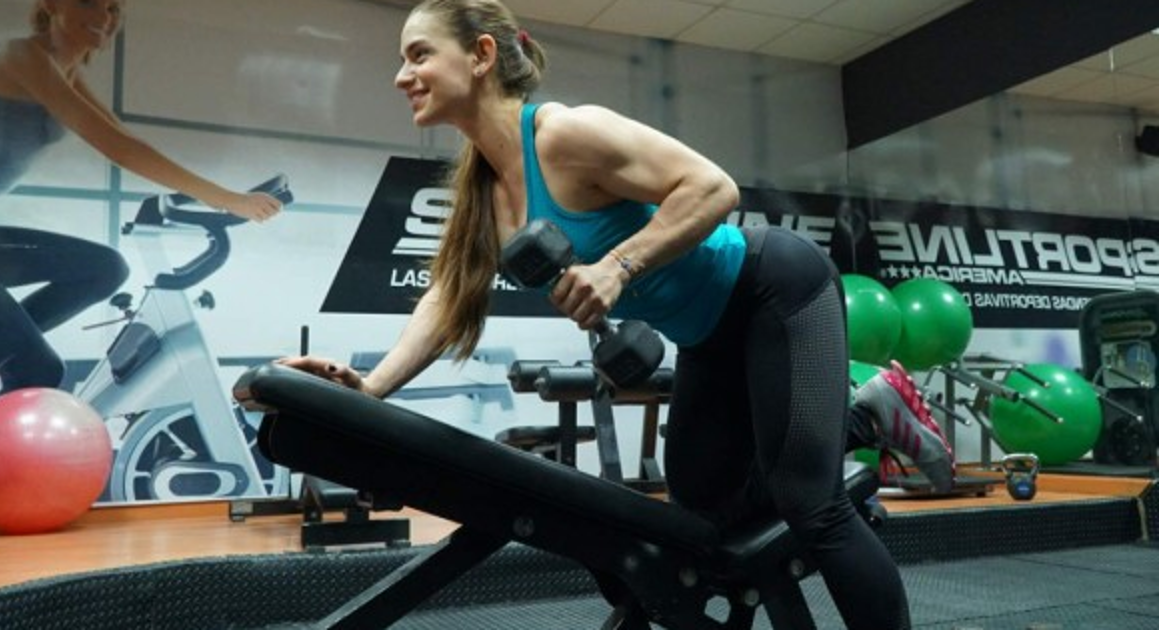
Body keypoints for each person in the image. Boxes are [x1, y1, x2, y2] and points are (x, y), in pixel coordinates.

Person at [281, 1, 949, 626]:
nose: (402, 76)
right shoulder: (484, 189)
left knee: (811, 505)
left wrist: (616, 267)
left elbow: (713, 187)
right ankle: (861, 418)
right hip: (707, 340)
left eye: (419, 55)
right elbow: (450, 297)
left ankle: (869, 413)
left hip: (773, 288)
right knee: (698, 517)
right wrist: (370, 390)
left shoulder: (565, 134)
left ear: (481, 55)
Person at [0, 0, 283, 407]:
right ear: (51, 3)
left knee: (104, 268)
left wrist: (220, 197)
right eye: (89, 1)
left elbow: (122, 135)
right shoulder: (20, 57)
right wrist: (228, 200)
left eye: (113, 8)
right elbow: (118, 147)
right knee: (37, 369)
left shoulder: (66, 71)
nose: (103, 16)